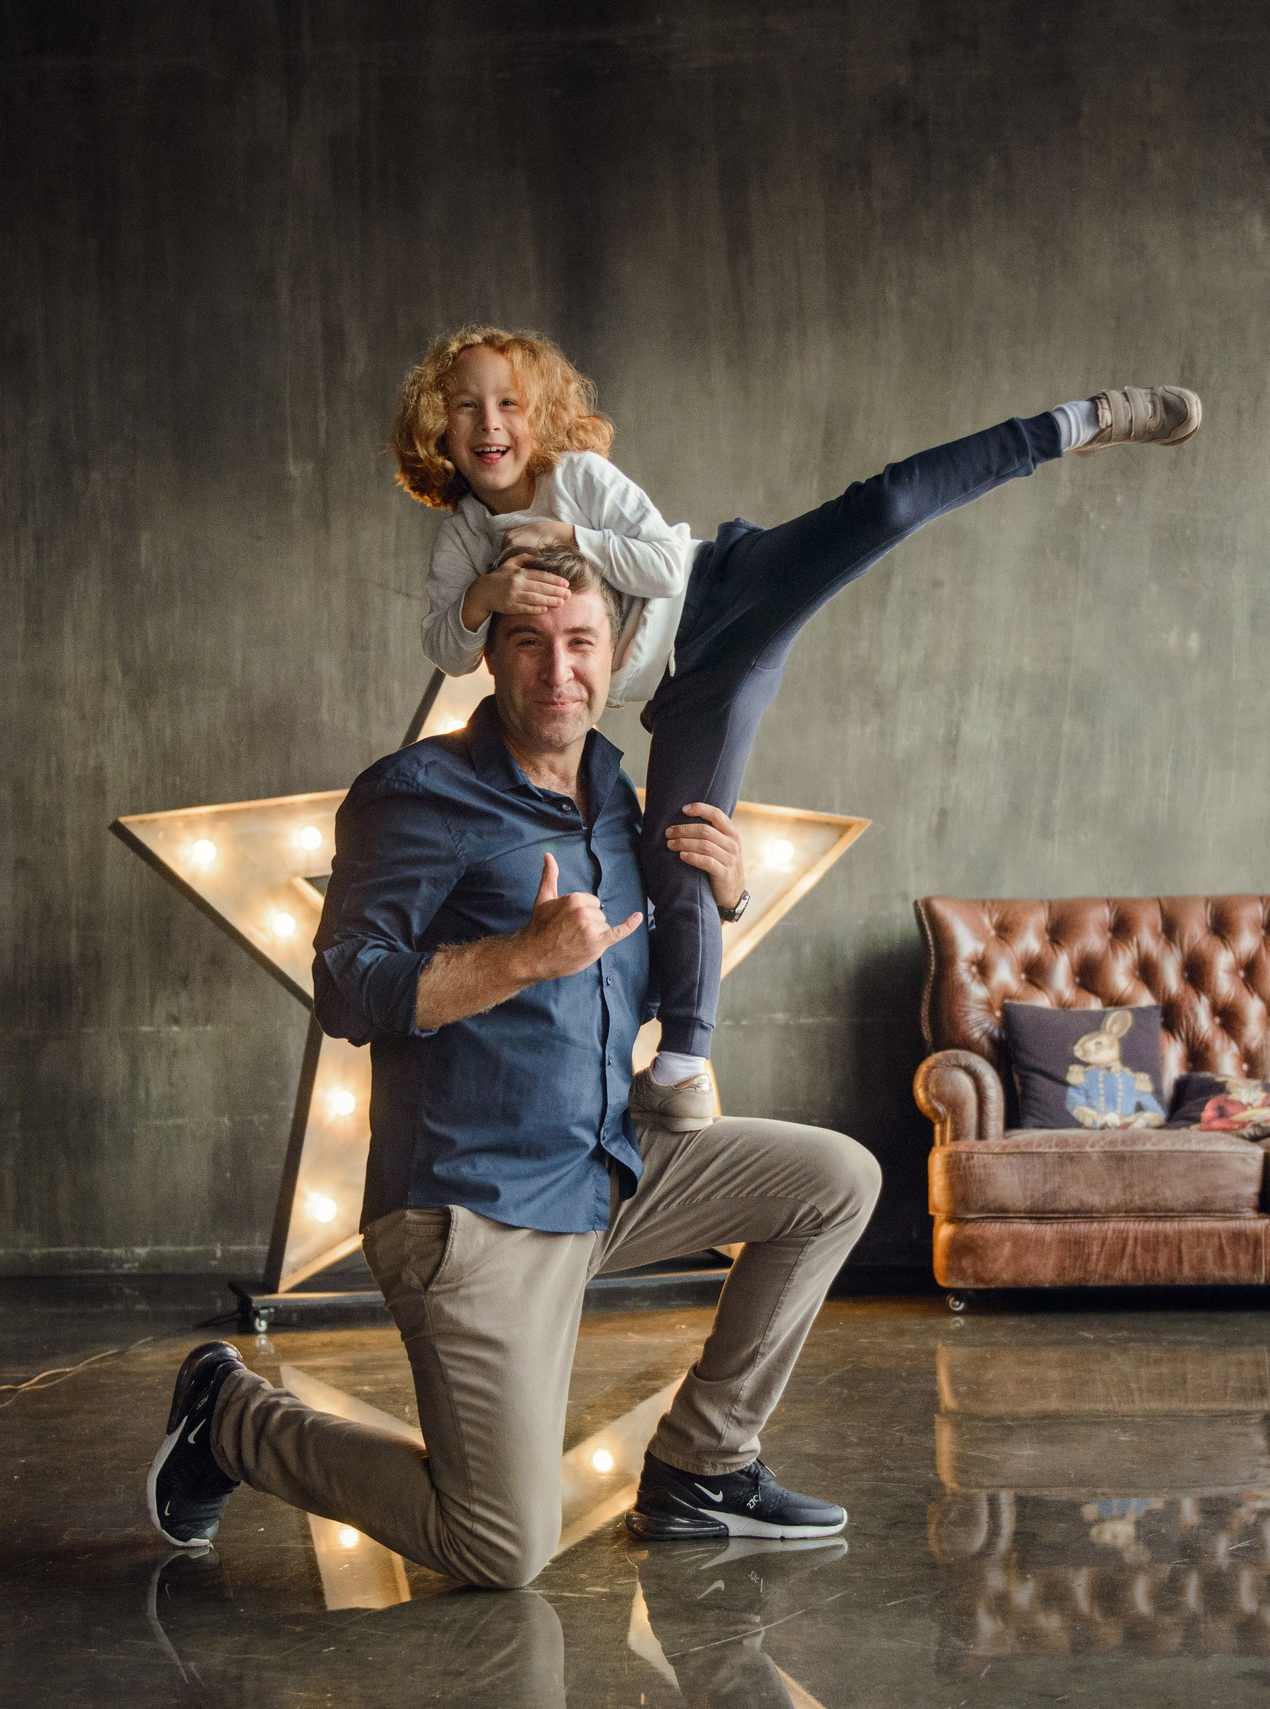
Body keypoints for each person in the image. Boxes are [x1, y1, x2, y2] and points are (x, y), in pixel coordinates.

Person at [145, 557, 881, 1586]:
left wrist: (725, 897)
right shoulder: (414, 793)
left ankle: (702, 1466)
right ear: (487, 651)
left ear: (617, 656)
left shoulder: (618, 794)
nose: (556, 670)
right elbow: (347, 988)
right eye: (528, 641)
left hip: (599, 1167)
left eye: (581, 642)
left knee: (835, 1178)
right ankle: (231, 1418)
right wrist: (516, 958)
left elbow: (644, 980)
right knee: (496, 1544)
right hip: (471, 1205)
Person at [387, 325, 1200, 1131]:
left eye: (507, 403)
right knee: (685, 845)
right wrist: (484, 597)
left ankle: (1076, 422)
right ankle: (681, 1069)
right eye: (465, 408)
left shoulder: (579, 479)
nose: (489, 423)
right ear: (439, 428)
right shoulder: (465, 534)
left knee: (883, 507)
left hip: (728, 592)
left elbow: (665, 564)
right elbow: (444, 644)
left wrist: (571, 538)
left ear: (541, 414)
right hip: (691, 690)